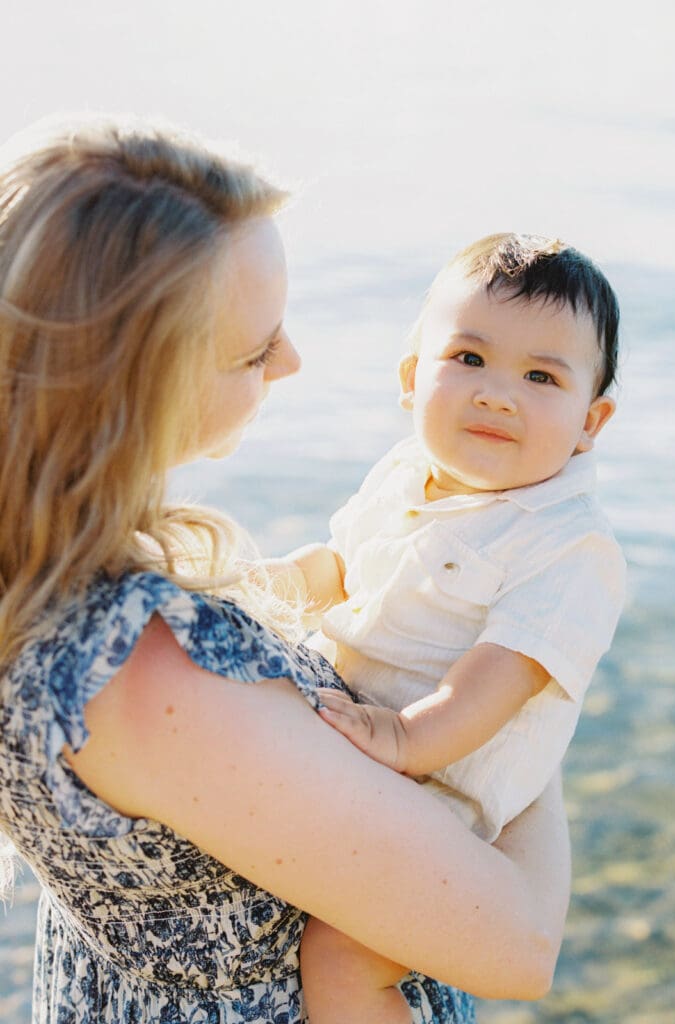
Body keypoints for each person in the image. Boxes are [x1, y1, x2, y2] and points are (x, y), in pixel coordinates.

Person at [0, 116, 572, 1024]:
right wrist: (528, 694)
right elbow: (518, 945)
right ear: (137, 385)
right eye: (254, 350)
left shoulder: (37, 567)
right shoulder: (147, 672)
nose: (293, 361)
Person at [271, 234, 626, 1022]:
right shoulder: (402, 474)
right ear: (411, 379)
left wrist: (406, 737)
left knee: (343, 954)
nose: (497, 393)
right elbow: (339, 562)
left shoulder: (569, 544)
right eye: (468, 359)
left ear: (588, 421)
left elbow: (501, 675)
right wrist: (265, 586)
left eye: (540, 376)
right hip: (363, 741)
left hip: (442, 792)